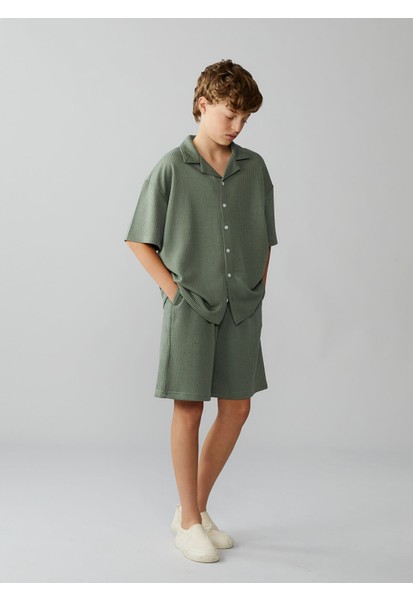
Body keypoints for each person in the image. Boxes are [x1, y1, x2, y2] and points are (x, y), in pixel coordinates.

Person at [124, 58, 278, 563]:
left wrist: (257, 287)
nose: (237, 126)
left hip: (242, 307)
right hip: (190, 305)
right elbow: (139, 239)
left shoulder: (255, 169)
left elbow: (266, 237)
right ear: (203, 104)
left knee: (237, 407)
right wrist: (173, 292)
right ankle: (189, 522)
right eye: (231, 114)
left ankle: (194, 509)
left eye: (245, 118)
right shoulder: (172, 167)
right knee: (189, 408)